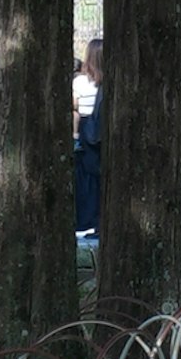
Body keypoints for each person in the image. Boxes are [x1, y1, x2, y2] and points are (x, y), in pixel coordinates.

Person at [73, 36, 104, 250]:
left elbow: (74, 105)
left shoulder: (79, 82)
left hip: (86, 132)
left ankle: (87, 220)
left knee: (87, 179)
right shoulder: (108, 83)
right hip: (103, 131)